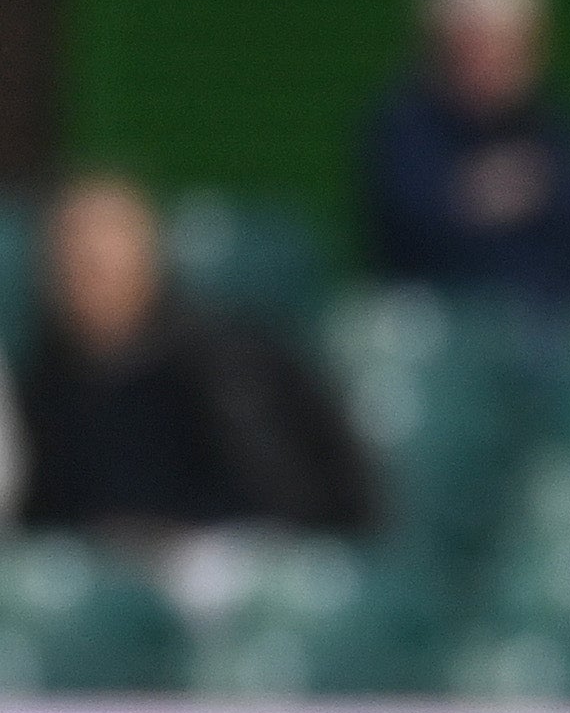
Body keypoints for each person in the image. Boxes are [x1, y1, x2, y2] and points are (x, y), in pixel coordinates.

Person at [12, 173, 373, 533]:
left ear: (148, 257)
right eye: (72, 261)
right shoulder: (46, 386)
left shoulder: (227, 362)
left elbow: (301, 494)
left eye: (103, 259)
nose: (88, 274)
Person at [360, 0, 570, 310]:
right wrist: (476, 196)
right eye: (473, 43)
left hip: (546, 312)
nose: (489, 60)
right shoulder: (403, 123)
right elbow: (405, 223)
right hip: (434, 310)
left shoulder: (553, 122)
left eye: (505, 44)